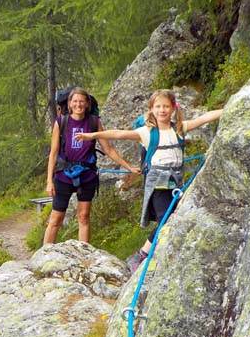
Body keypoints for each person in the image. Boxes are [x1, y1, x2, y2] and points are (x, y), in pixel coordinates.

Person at [74, 89, 223, 270]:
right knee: (166, 220)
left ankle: (149, 253)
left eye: (166, 106)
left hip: (175, 183)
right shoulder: (146, 132)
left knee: (173, 219)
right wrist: (92, 136)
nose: (162, 110)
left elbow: (205, 118)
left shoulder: (180, 128)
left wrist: (229, 107)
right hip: (158, 184)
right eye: (158, 106)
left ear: (173, 108)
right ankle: (142, 254)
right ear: (151, 109)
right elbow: (119, 134)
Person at [44, 87, 140, 244]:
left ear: (87, 103)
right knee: (56, 218)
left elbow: (108, 149)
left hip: (87, 175)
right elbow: (53, 153)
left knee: (84, 216)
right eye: (75, 101)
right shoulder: (61, 122)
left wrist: (128, 166)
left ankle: (84, 255)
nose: (78, 104)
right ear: (69, 104)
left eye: (82, 101)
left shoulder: (94, 122)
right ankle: (44, 255)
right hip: (63, 176)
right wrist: (49, 181)